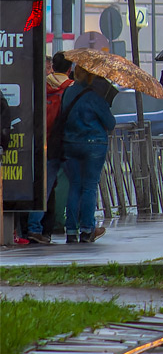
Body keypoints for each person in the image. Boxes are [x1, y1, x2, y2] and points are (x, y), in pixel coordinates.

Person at [60, 69, 114, 244]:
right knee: (89, 186)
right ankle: (86, 230)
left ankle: (70, 230)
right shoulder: (94, 95)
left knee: (74, 185)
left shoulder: (68, 92)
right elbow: (110, 123)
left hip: (69, 143)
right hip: (93, 144)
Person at [25, 53, 74, 243]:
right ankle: (76, 226)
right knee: (77, 186)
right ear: (69, 69)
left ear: (52, 66)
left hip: (43, 141)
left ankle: (33, 227)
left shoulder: (41, 85)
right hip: (64, 142)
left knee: (43, 188)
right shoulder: (71, 89)